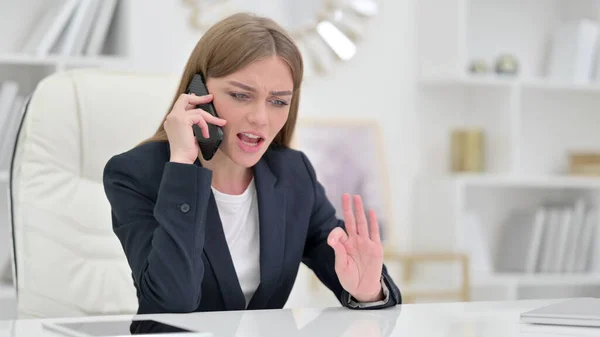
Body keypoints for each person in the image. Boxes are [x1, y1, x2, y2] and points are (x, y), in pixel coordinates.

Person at [102, 12, 401, 315]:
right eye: (241, 95)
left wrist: (368, 291)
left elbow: (353, 270)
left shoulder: (292, 173)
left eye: (278, 101)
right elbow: (171, 302)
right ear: (198, 93)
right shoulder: (135, 174)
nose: (260, 118)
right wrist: (182, 165)